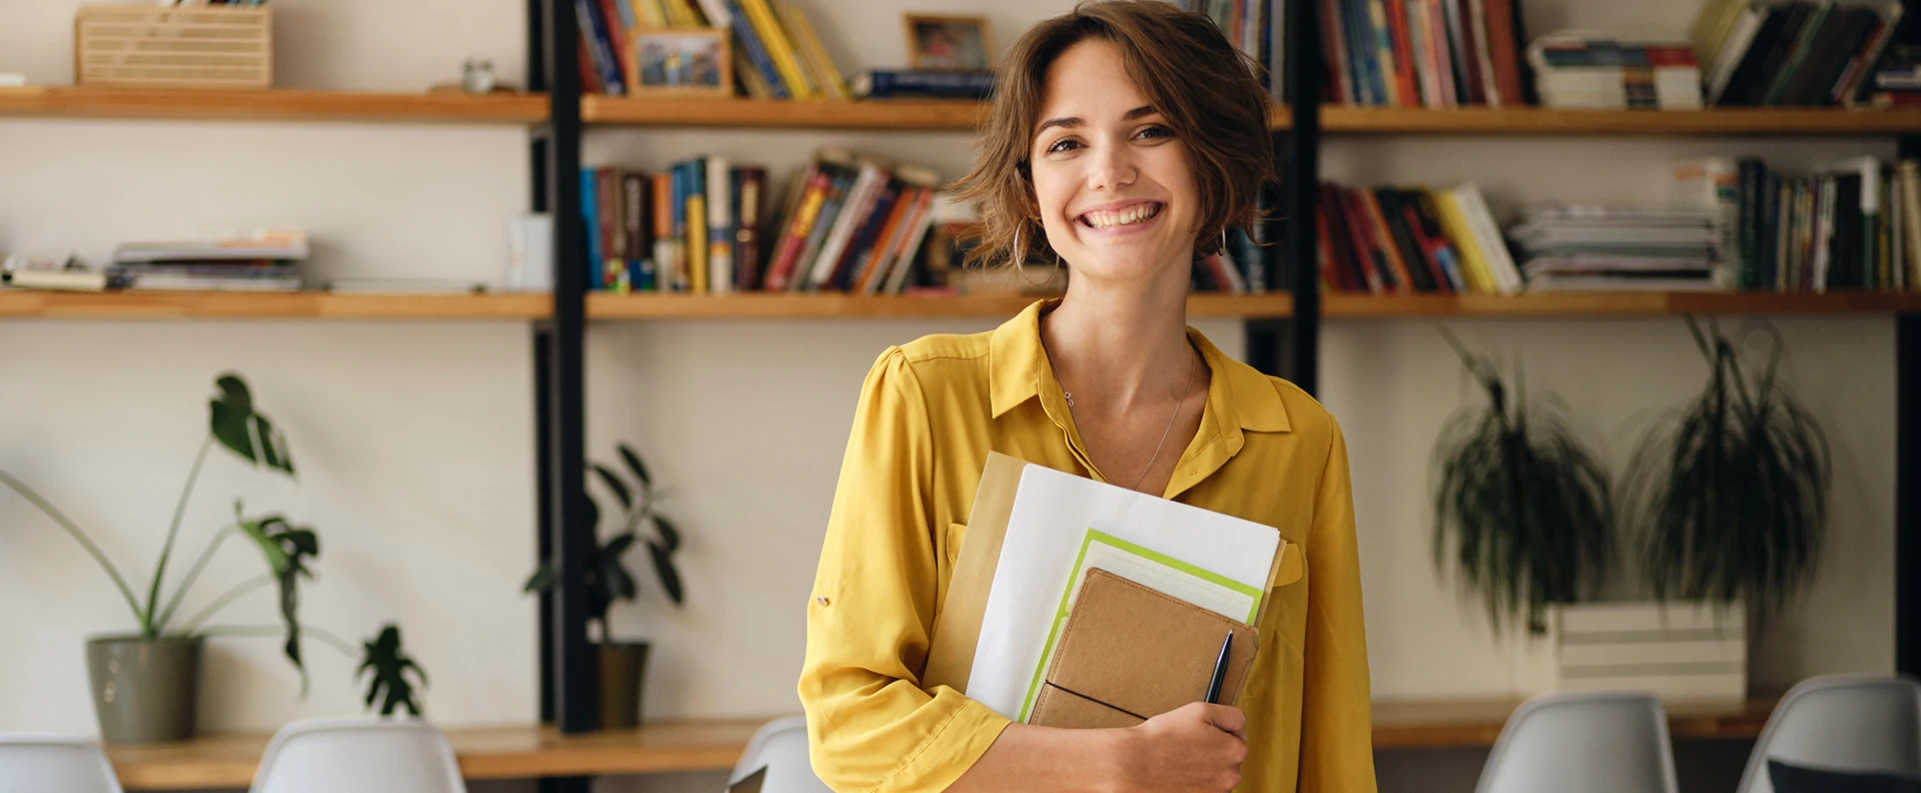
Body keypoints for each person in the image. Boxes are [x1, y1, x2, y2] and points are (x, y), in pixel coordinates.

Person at [797, 2, 1376, 791]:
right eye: (1065, 142)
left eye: (1151, 130)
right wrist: (1116, 764)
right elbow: (848, 722)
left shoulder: (1298, 436)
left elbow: (1330, 755)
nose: (1108, 171)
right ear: (1030, 188)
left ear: (1213, 161)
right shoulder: (924, 396)